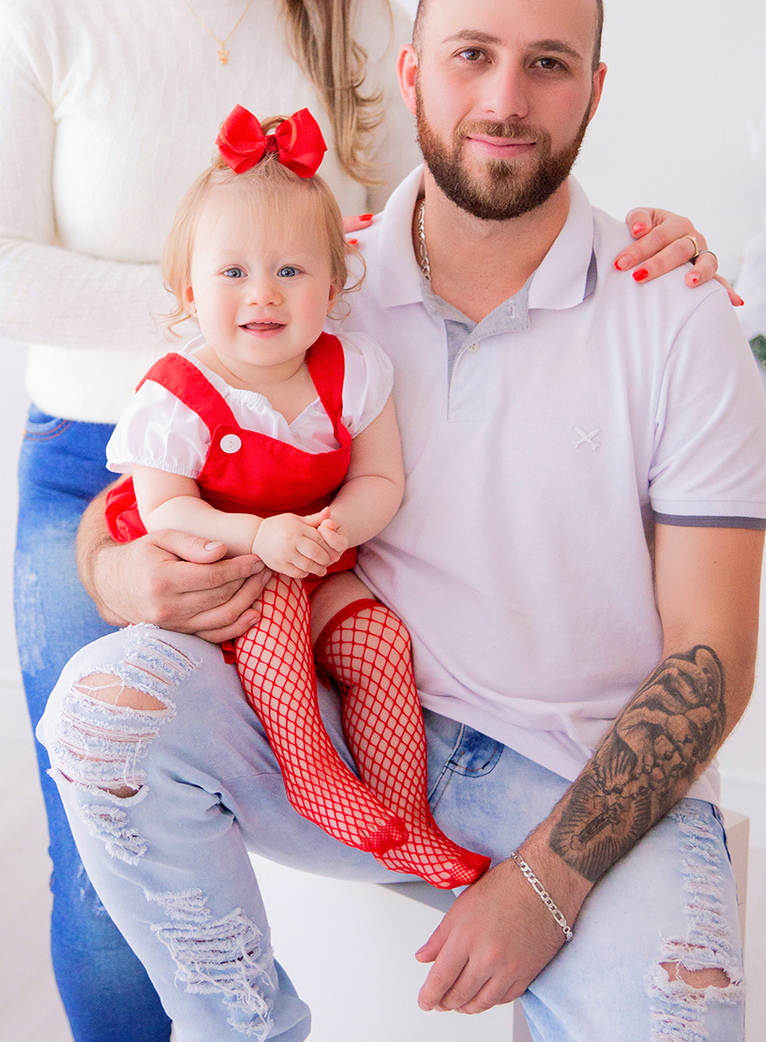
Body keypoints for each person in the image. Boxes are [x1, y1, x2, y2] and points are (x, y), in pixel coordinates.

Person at [0, 0, 723, 1042]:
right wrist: (235, 320)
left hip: (314, 479)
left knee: (305, 718)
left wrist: (639, 241)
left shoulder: (352, 16)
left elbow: (438, 210)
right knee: (92, 823)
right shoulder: (49, 16)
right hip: (102, 468)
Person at [41, 0, 766, 1042]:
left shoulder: (677, 317)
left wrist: (546, 885)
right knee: (106, 708)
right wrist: (121, 571)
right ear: (411, 69)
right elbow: (146, 471)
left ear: (595, 92)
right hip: (327, 728)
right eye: (473, 54)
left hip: (584, 777)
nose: (505, 96)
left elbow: (715, 658)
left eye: (548, 64)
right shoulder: (314, 271)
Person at [99, 102, 486, 889]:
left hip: (315, 557)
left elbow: (382, 478)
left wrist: (333, 527)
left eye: (290, 271)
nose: (263, 296)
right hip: (225, 573)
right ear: (188, 287)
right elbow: (166, 509)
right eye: (234, 273)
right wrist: (259, 538)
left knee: (379, 643)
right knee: (274, 605)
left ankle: (406, 819)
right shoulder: (178, 395)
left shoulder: (354, 371)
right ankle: (310, 774)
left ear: (335, 284)